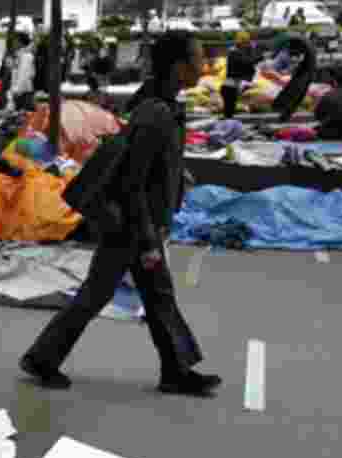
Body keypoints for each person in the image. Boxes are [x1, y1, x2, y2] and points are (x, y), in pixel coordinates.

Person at [20, 31, 221, 397]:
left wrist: (176, 175)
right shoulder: (156, 113)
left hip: (137, 223)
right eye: (197, 59)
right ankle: (42, 358)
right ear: (179, 68)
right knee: (103, 295)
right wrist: (146, 238)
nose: (202, 66)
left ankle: (175, 371)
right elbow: (132, 183)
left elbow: (149, 166)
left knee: (155, 296)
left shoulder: (161, 106)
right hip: (131, 225)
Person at [222, 32, 259, 119]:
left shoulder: (238, 52)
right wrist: (255, 54)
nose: (247, 45)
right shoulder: (234, 53)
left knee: (230, 114)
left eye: (248, 43)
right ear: (241, 42)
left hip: (233, 86)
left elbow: (249, 65)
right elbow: (248, 63)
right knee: (229, 115)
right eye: (246, 43)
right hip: (230, 87)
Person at [9, 32, 35, 111]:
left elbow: (24, 74)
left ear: (20, 42)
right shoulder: (19, 55)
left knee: (24, 117)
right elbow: (16, 73)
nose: (13, 43)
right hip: (19, 91)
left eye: (15, 41)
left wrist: (17, 90)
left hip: (23, 92)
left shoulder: (26, 56)